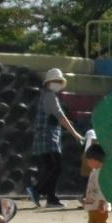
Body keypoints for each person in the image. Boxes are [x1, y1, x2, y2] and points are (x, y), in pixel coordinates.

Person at [27, 68, 84, 208]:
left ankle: (51, 198)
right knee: (55, 166)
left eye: (59, 81)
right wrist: (75, 134)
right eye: (56, 81)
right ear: (49, 82)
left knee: (51, 167)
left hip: (46, 136)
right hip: (48, 137)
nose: (57, 84)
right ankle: (37, 190)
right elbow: (61, 117)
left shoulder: (45, 95)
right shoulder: (50, 96)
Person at [81, 139, 111, 223]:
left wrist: (103, 202)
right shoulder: (94, 172)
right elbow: (91, 187)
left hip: (100, 204)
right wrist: (86, 199)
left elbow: (104, 189)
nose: (88, 163)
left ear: (96, 160)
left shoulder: (103, 173)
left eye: (89, 160)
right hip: (92, 204)